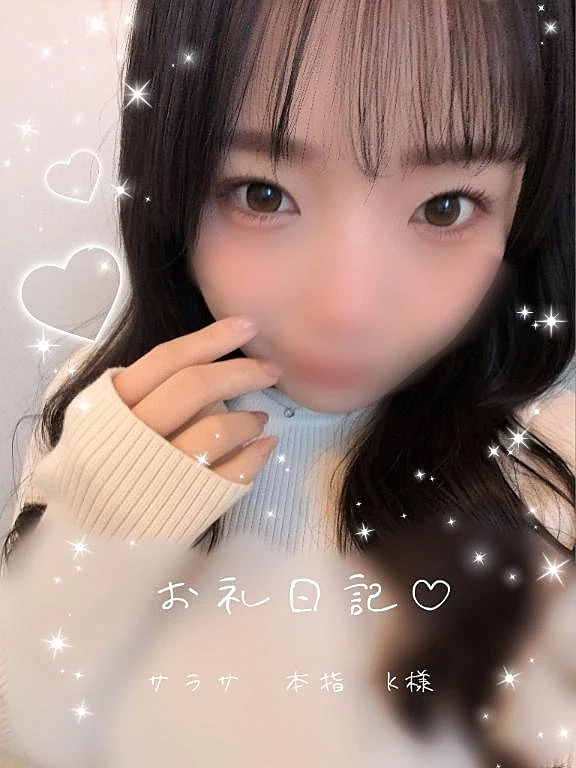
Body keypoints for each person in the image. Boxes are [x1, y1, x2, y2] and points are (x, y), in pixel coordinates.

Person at [0, 0, 574, 766]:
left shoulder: (550, 465)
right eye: (262, 194)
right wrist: (94, 542)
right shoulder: (111, 417)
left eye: (445, 207)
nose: (347, 310)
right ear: (172, 184)